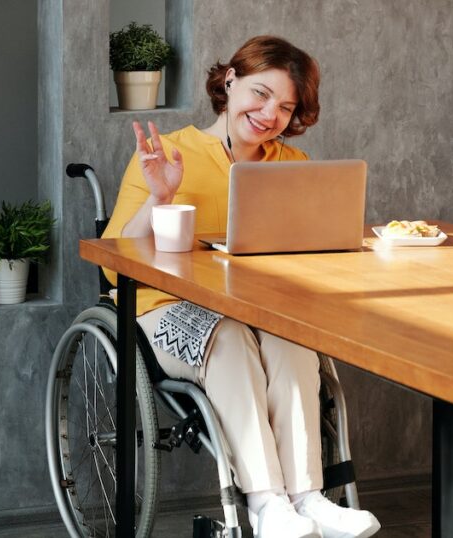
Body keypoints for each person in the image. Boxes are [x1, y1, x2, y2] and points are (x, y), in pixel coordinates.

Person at [101, 36, 380, 538]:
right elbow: (113, 264)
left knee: (292, 337)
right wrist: (160, 196)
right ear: (230, 80)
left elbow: (308, 256)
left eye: (286, 106)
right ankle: (267, 503)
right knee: (228, 337)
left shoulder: (292, 165)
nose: (270, 113)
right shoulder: (166, 152)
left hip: (258, 309)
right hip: (164, 306)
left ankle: (308, 499)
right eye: (261, 93)